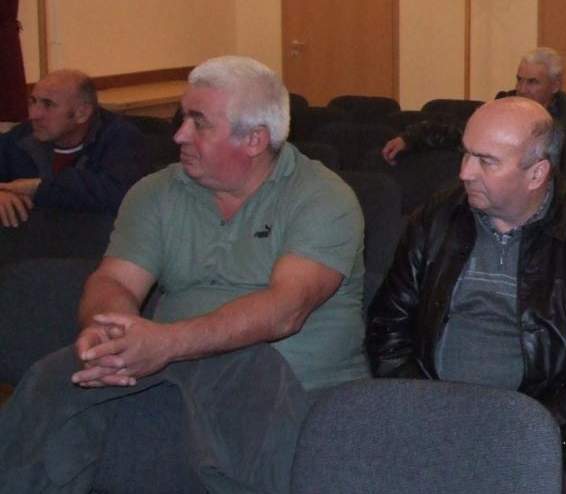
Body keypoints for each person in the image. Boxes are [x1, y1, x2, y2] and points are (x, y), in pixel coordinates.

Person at [0, 56, 367, 492]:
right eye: (182, 118)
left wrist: (168, 344)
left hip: (291, 387)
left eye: (199, 123)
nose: (178, 134)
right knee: (53, 381)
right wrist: (111, 333)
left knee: (219, 396)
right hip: (175, 375)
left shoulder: (322, 197)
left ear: (254, 139)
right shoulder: (156, 192)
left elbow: (284, 311)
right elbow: (114, 281)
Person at [366, 97, 566, 494]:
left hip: (561, 431)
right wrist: (425, 409)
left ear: (537, 173)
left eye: (486, 161)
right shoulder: (437, 218)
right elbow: (388, 325)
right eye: (466, 154)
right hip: (434, 411)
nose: (465, 172)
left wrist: (532, 427)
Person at [380, 48, 566, 178]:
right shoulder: (502, 108)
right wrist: (410, 138)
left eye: (533, 82)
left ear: (555, 85)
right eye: (519, 80)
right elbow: (457, 130)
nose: (522, 89)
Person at [0, 69, 149, 227]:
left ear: (82, 113)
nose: (34, 115)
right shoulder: (22, 136)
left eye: (48, 104)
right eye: (33, 101)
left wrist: (41, 188)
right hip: (34, 237)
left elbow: (122, 196)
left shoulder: (120, 138)